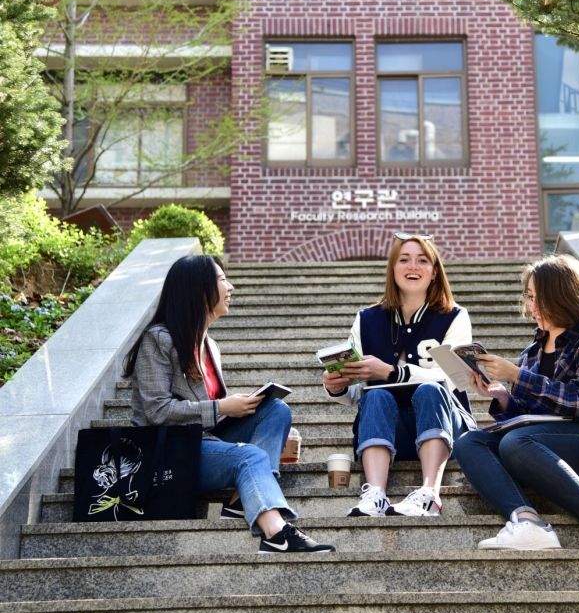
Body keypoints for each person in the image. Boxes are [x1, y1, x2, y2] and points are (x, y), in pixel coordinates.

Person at [123, 254, 335, 554]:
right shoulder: (159, 339)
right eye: (222, 280)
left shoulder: (210, 345)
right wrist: (223, 407)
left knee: (274, 409)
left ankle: (239, 501)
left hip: (203, 440)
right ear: (199, 290)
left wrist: (238, 406)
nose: (231, 286)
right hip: (171, 451)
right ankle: (276, 534)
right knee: (250, 456)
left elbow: (210, 413)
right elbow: (157, 411)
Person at [453, 253, 579, 551]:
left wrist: (517, 376)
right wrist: (502, 397)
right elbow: (530, 417)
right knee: (469, 442)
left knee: (516, 442)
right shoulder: (532, 352)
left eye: (540, 297)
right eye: (529, 297)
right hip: (540, 445)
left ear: (564, 296)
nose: (533, 306)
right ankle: (528, 524)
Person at [323, 232, 476, 517]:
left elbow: (454, 378)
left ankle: (429, 493)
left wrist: (394, 371)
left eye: (422, 260)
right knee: (376, 395)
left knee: (431, 389)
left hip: (445, 429)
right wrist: (338, 386)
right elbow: (357, 392)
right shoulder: (367, 318)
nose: (412, 266)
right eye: (404, 260)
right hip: (390, 432)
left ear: (434, 272)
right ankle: (375, 495)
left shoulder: (455, 316)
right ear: (393, 269)